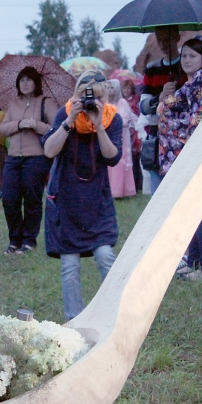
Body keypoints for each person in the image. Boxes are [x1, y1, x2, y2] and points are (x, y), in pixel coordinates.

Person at [42, 70, 123, 320]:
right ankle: (74, 320)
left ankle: (115, 314)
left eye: (97, 97)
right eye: (86, 96)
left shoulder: (112, 119)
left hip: (96, 200)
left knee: (105, 256)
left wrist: (98, 126)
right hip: (66, 200)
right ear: (76, 95)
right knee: (69, 265)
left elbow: (112, 157)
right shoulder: (65, 114)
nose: (91, 102)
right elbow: (49, 150)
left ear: (105, 97)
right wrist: (69, 120)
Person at [158, 39, 202, 281]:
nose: (186, 60)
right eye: (183, 55)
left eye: (192, 56)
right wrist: (164, 100)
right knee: (190, 210)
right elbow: (168, 106)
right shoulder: (191, 82)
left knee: (198, 210)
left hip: (194, 154)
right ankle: (194, 261)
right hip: (182, 155)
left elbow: (200, 119)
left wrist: (194, 154)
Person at [0, 66, 54, 254]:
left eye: (29, 79)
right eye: (21, 80)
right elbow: (3, 129)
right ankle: (14, 240)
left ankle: (29, 241)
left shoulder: (46, 102)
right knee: (9, 198)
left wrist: (37, 125)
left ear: (36, 82)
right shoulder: (14, 104)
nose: (25, 83)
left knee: (32, 199)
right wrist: (20, 124)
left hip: (36, 157)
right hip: (13, 157)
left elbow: (57, 128)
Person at [105, 79, 137, 199]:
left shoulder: (122, 102)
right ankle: (109, 190)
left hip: (120, 137)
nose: (109, 90)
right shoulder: (105, 103)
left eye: (112, 88)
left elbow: (125, 119)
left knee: (119, 163)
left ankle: (119, 191)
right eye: (108, 88)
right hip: (107, 137)